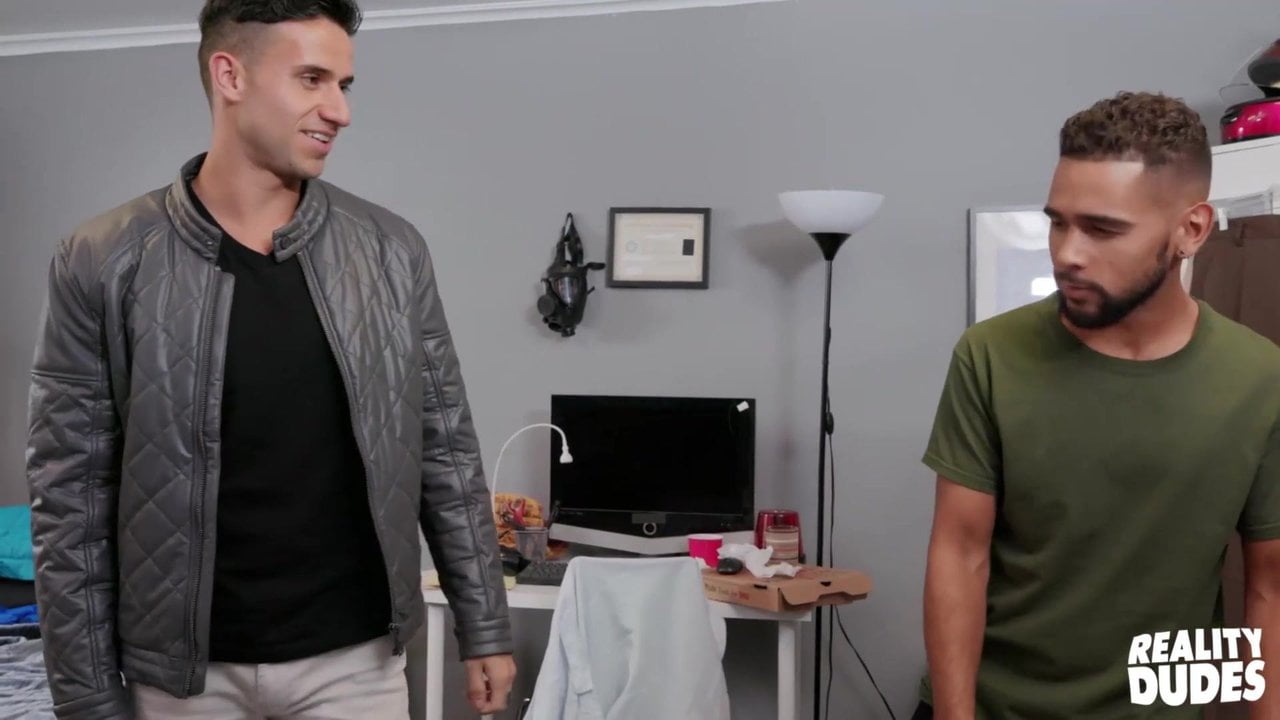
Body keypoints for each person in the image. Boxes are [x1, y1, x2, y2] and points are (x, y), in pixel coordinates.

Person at [25, 1, 516, 718]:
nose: (339, 110)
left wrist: (485, 625)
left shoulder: (391, 250)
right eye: (312, 79)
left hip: (356, 664)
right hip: (183, 678)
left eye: (344, 85)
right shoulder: (101, 259)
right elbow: (71, 500)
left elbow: (447, 452)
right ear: (231, 76)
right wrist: (87, 698)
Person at [919, 91, 1280, 719]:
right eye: (1058, 222)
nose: (1068, 253)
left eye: (1102, 229)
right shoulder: (990, 355)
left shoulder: (1259, 378)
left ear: (1191, 230)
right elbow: (959, 554)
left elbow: (1270, 587)